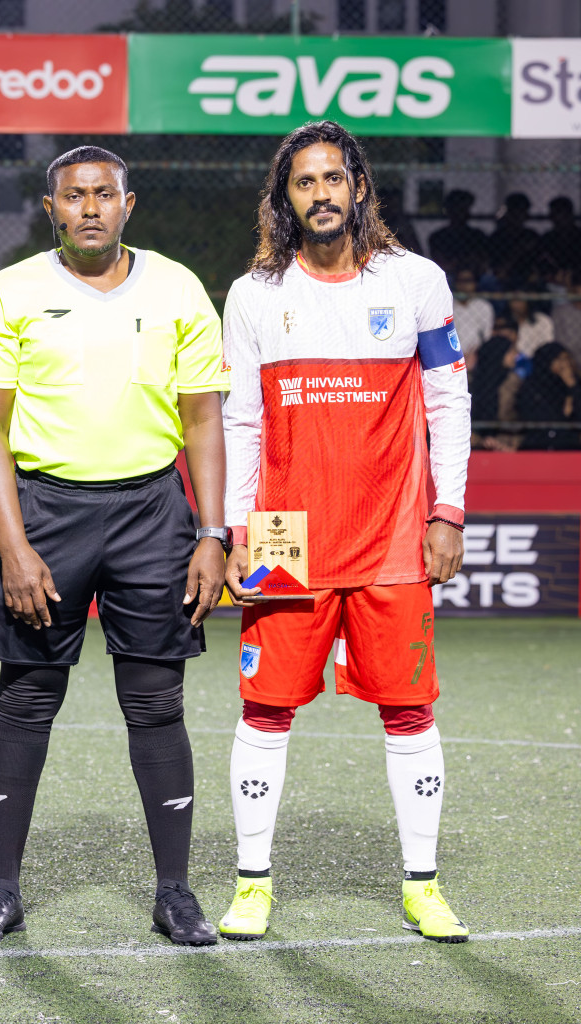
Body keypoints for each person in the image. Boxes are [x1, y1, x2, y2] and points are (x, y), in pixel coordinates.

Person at [0, 145, 229, 947]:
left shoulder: (178, 287)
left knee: (156, 703)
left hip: (154, 511)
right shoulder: (14, 289)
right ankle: (0, 889)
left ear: (127, 204)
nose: (88, 208)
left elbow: (206, 419)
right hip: (46, 512)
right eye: (72, 196)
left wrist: (212, 533)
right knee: (28, 698)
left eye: (103, 194)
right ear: (52, 209)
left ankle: (175, 893)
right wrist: (14, 542)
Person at [220, 120, 471, 944]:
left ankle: (422, 885)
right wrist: (237, 528)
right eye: (304, 182)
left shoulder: (418, 282)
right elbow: (242, 421)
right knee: (265, 710)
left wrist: (447, 511)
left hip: (395, 531)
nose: (321, 194)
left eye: (334, 178)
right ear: (283, 197)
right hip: (287, 533)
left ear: (359, 186)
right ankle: (253, 884)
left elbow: (447, 403)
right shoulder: (255, 294)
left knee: (409, 710)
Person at [516, 342, 581, 450]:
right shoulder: (532, 387)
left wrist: (572, 386)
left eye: (566, 359)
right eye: (559, 359)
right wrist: (565, 413)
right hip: (540, 443)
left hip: (570, 443)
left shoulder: (574, 383)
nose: (565, 364)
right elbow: (544, 419)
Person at [427, 190, 486, 276]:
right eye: (458, 209)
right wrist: (456, 264)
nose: (461, 214)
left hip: (474, 276)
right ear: (449, 211)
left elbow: (482, 262)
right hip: (448, 276)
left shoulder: (478, 236)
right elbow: (440, 264)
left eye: (464, 209)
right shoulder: (437, 237)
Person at [489, 192, 541, 286]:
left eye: (523, 211)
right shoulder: (498, 237)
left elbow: (539, 262)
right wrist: (520, 249)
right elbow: (497, 270)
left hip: (529, 280)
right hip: (503, 280)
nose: (519, 215)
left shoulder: (531, 235)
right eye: (516, 211)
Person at [449, 269, 493, 363]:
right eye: (460, 281)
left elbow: (487, 336)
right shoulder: (448, 305)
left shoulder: (483, 306)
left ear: (475, 284)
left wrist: (475, 352)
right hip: (451, 353)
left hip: (478, 354)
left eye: (468, 281)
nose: (464, 286)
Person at [540, 197, 581, 276]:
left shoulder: (578, 235)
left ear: (568, 214)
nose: (553, 217)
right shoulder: (548, 237)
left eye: (558, 212)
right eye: (552, 213)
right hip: (554, 277)